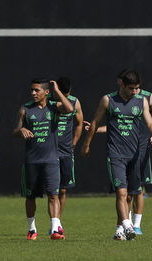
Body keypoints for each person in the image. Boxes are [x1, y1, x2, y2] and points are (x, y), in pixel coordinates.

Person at [83, 70, 152, 236]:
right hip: (116, 153)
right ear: (121, 84)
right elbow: (95, 122)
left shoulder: (142, 101)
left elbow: (151, 123)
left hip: (135, 154)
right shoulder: (108, 100)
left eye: (137, 88)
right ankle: (128, 226)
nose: (135, 91)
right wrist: (86, 144)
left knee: (130, 195)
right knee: (121, 193)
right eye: (131, 88)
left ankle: (119, 230)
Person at [14, 78, 73, 240]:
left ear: (46, 92)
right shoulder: (25, 109)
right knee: (30, 196)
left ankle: (54, 229)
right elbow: (15, 131)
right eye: (32, 90)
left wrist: (57, 91)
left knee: (53, 195)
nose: (33, 93)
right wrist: (21, 131)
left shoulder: (54, 107)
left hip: (51, 160)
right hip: (32, 161)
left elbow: (70, 109)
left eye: (37, 90)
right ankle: (32, 229)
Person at [53, 77, 83, 230]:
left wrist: (74, 143)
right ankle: (49, 222)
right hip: (49, 151)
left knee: (63, 189)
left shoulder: (74, 102)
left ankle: (58, 221)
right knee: (51, 191)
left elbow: (79, 123)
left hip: (66, 151)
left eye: (67, 94)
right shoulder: (48, 101)